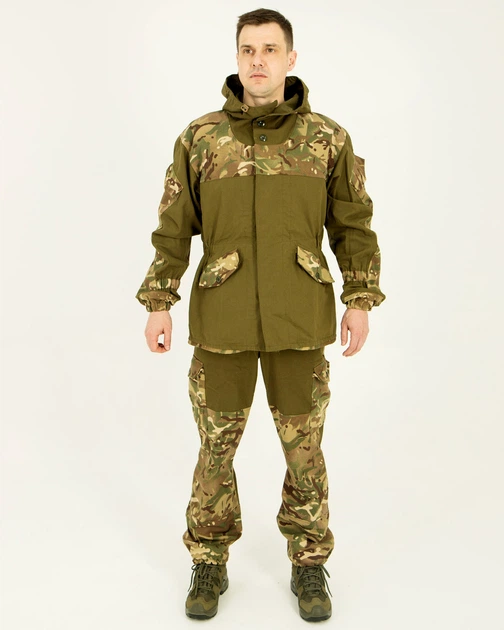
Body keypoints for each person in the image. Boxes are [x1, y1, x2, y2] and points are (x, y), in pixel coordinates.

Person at [135, 7, 386, 622]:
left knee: (305, 450)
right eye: (248, 50)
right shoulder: (201, 138)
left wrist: (359, 299)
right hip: (222, 319)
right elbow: (174, 226)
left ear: (290, 59)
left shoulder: (327, 139)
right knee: (215, 450)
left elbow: (353, 225)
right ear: (237, 57)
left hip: (299, 316)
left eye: (270, 50)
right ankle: (209, 558)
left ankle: (309, 561)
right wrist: (160, 301)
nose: (258, 61)